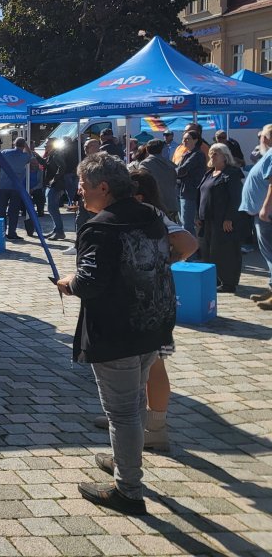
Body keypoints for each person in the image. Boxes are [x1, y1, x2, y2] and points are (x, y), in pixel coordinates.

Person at [56, 153, 176, 515]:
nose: (78, 191)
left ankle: (128, 490)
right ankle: (125, 461)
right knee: (134, 403)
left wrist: (67, 283)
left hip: (118, 330)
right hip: (153, 323)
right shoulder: (151, 214)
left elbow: (90, 282)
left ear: (103, 188)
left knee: (122, 412)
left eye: (82, 184)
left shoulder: (101, 226)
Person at [91, 169, 198, 453]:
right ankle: (132, 420)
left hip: (148, 304)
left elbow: (189, 243)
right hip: (152, 302)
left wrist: (161, 262)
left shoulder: (146, 212)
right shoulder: (149, 213)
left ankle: (155, 428)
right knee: (142, 366)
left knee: (153, 365)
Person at [195, 143, 243, 292]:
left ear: (225, 156)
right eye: (211, 153)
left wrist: (229, 218)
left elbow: (236, 197)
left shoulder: (232, 173)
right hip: (206, 220)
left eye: (216, 153)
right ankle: (213, 280)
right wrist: (198, 215)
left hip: (222, 221)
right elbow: (200, 195)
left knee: (224, 251)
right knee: (207, 251)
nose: (212, 156)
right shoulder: (208, 173)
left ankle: (228, 283)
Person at [240, 124, 272, 308]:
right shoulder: (267, 153)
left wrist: (266, 208)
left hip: (266, 214)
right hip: (262, 213)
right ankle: (271, 288)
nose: (260, 137)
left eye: (262, 135)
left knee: (270, 254)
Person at [0, 137, 31, 240]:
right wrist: (26, 146)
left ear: (13, 143)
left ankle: (1, 232)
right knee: (14, 211)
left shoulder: (5, 152)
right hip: (16, 186)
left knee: (1, 210)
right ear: (24, 145)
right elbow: (30, 155)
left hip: (3, 185)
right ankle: (12, 232)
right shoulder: (25, 156)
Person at [135, 140, 178, 221]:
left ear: (147, 150)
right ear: (162, 150)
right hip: (171, 204)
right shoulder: (171, 164)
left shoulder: (145, 164)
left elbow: (143, 183)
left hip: (155, 204)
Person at [175, 130, 206, 236]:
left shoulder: (197, 154)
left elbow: (180, 171)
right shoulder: (187, 154)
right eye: (183, 139)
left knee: (187, 225)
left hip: (190, 192)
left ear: (196, 140)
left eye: (187, 138)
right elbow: (179, 171)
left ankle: (191, 252)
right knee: (184, 223)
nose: (184, 141)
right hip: (182, 191)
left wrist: (175, 171)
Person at [42, 139, 67, 240]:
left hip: (56, 185)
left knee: (52, 208)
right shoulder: (51, 154)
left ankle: (60, 231)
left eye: (46, 144)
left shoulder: (56, 154)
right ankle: (56, 229)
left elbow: (62, 167)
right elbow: (46, 165)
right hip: (52, 185)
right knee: (52, 208)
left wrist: (54, 179)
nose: (45, 146)